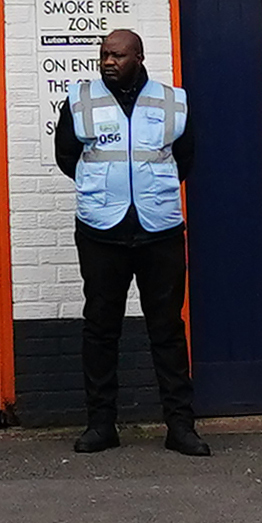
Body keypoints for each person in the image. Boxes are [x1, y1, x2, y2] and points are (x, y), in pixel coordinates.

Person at [50, 26, 205, 457]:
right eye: (104, 55)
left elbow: (185, 157)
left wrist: (150, 191)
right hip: (101, 229)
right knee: (101, 329)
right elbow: (67, 156)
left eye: (117, 55)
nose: (108, 62)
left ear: (138, 56)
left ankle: (180, 426)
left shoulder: (172, 101)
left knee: (168, 330)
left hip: (160, 229)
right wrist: (102, 188)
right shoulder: (81, 100)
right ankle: (101, 425)